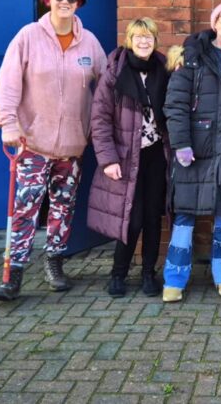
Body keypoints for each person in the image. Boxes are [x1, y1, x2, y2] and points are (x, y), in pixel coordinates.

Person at [0, 0, 107, 301]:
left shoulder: (90, 43)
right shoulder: (28, 36)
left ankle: (55, 260)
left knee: (62, 207)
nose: (65, 2)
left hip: (71, 147)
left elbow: (107, 83)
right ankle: (14, 273)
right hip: (32, 144)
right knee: (26, 208)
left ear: (78, 4)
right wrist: (8, 123)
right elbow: (8, 83)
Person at [161, 2, 221, 302]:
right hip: (195, 150)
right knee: (185, 217)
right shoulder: (193, 56)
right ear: (214, 23)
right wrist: (181, 144)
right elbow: (174, 103)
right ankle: (174, 279)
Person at [88, 18, 170, 298]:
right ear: (129, 40)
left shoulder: (163, 68)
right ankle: (118, 273)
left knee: (152, 218)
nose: (144, 42)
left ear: (155, 40)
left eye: (149, 37)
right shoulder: (115, 72)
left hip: (157, 156)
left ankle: (149, 273)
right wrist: (107, 159)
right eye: (139, 37)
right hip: (125, 157)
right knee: (131, 219)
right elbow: (99, 119)